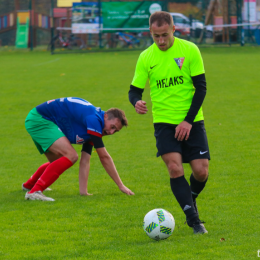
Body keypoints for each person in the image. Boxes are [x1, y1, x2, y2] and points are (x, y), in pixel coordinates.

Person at [128, 11, 209, 234]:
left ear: (174, 29)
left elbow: (201, 88)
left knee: (201, 172)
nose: (161, 41)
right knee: (174, 168)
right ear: (150, 33)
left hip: (192, 120)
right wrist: (136, 102)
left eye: (165, 35)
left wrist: (187, 121)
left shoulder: (190, 49)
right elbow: (134, 91)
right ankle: (194, 220)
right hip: (163, 122)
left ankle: (190, 198)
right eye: (156, 36)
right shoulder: (146, 57)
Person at [22, 97, 134, 201]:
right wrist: (121, 185)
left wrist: (83, 192)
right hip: (39, 119)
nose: (111, 132)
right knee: (71, 155)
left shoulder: (94, 125)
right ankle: (34, 191)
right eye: (112, 127)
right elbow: (104, 157)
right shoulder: (94, 120)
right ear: (105, 116)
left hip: (40, 119)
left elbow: (85, 161)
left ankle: (29, 185)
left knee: (58, 161)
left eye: (115, 131)